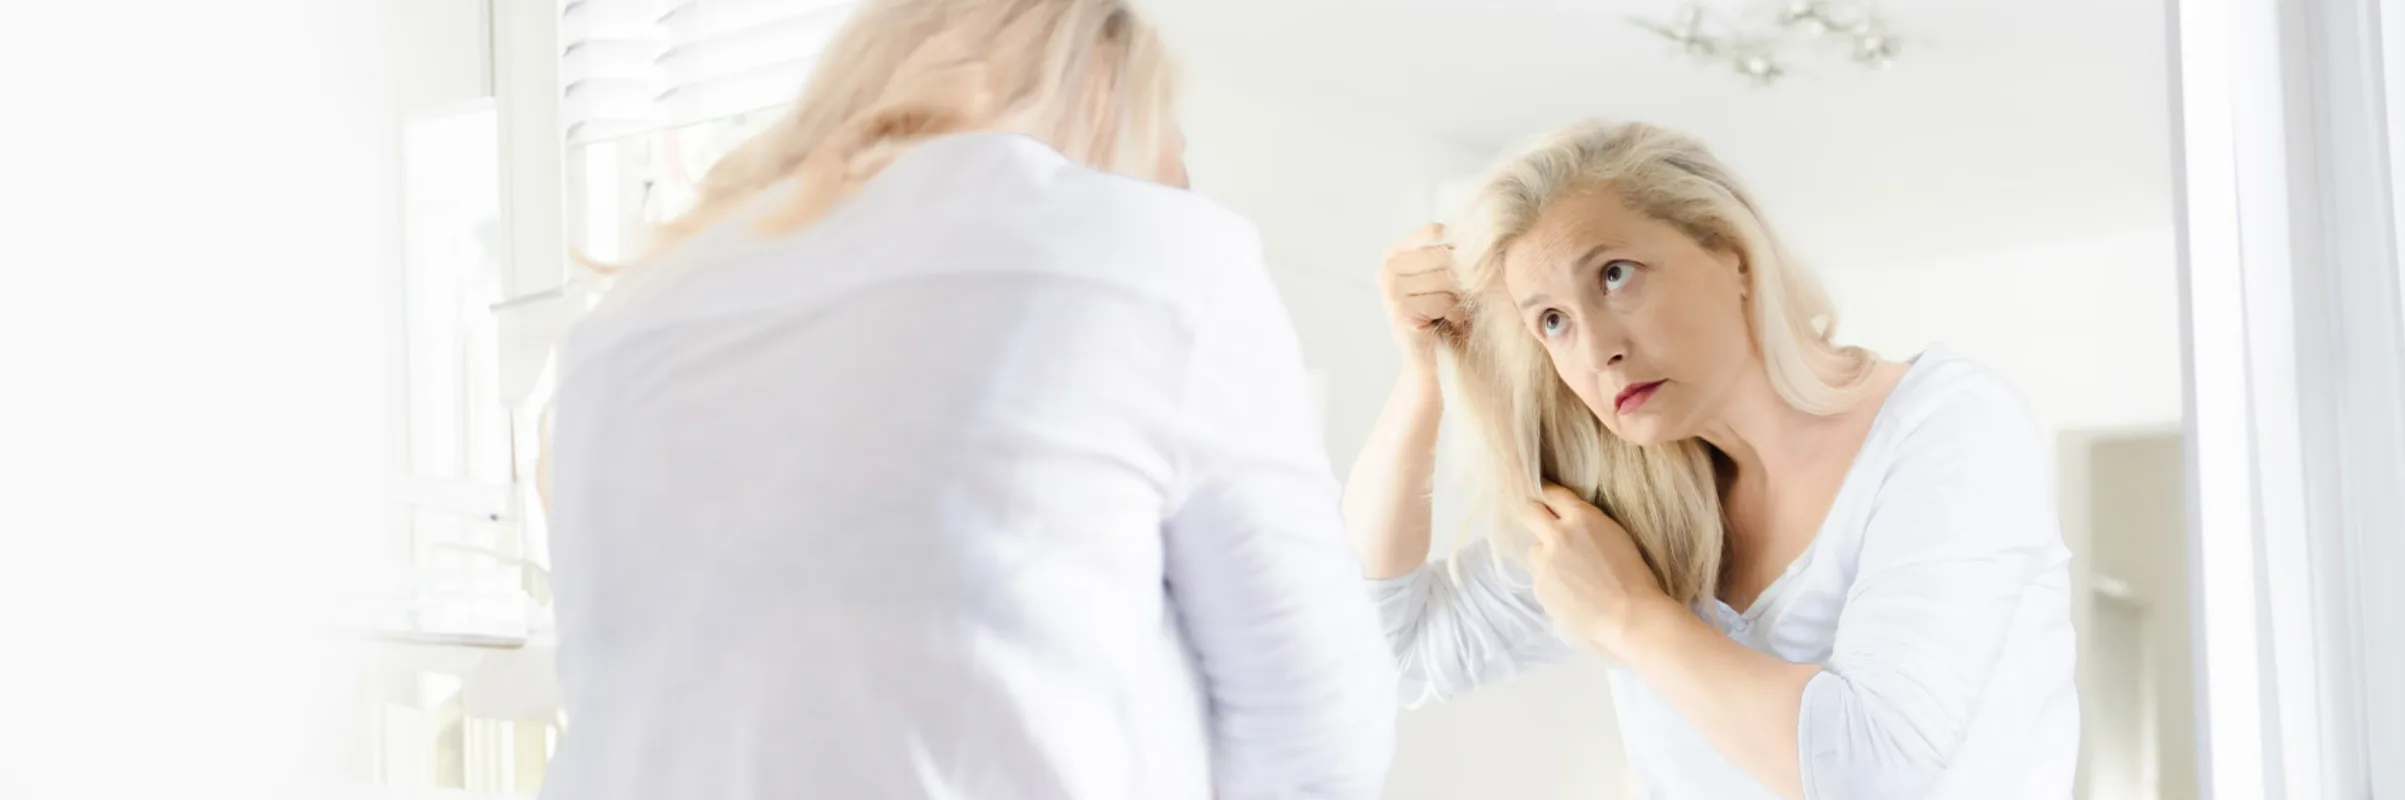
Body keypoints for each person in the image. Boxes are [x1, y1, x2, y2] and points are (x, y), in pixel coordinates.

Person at [539, 2, 1393, 798]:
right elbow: (1318, 739)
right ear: (1098, 94)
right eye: (1166, 162)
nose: (1177, 195)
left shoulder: (623, 328)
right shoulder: (1150, 258)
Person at [1347, 120, 2077, 799]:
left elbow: (1873, 770)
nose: (1597, 349)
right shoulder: (1631, 511)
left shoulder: (1946, 428)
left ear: (1732, 254)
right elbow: (1389, 649)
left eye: (1613, 275)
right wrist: (1421, 377)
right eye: (1553, 321)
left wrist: (1631, 616)